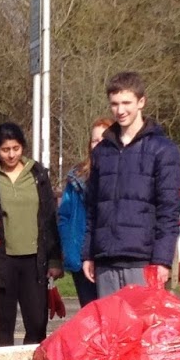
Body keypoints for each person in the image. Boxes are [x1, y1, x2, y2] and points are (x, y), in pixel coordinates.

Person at [82, 72, 180, 297]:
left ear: (141, 102)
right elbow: (92, 209)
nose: (120, 110)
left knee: (143, 330)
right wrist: (88, 254)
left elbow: (169, 211)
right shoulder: (101, 152)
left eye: (126, 103)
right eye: (114, 104)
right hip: (105, 259)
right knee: (111, 330)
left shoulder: (163, 150)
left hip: (143, 262)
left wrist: (162, 260)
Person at [0, 122, 62, 345]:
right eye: (5, 150)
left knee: (37, 323)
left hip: (34, 262)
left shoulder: (38, 175)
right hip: (2, 261)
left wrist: (55, 259)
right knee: (3, 325)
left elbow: (50, 219)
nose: (11, 154)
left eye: (16, 148)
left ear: (23, 147)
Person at [57, 118, 112, 308]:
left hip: (109, 256)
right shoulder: (78, 176)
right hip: (81, 256)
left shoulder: (121, 174)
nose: (98, 144)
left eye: (103, 139)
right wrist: (68, 245)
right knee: (89, 313)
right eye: (94, 140)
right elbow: (64, 215)